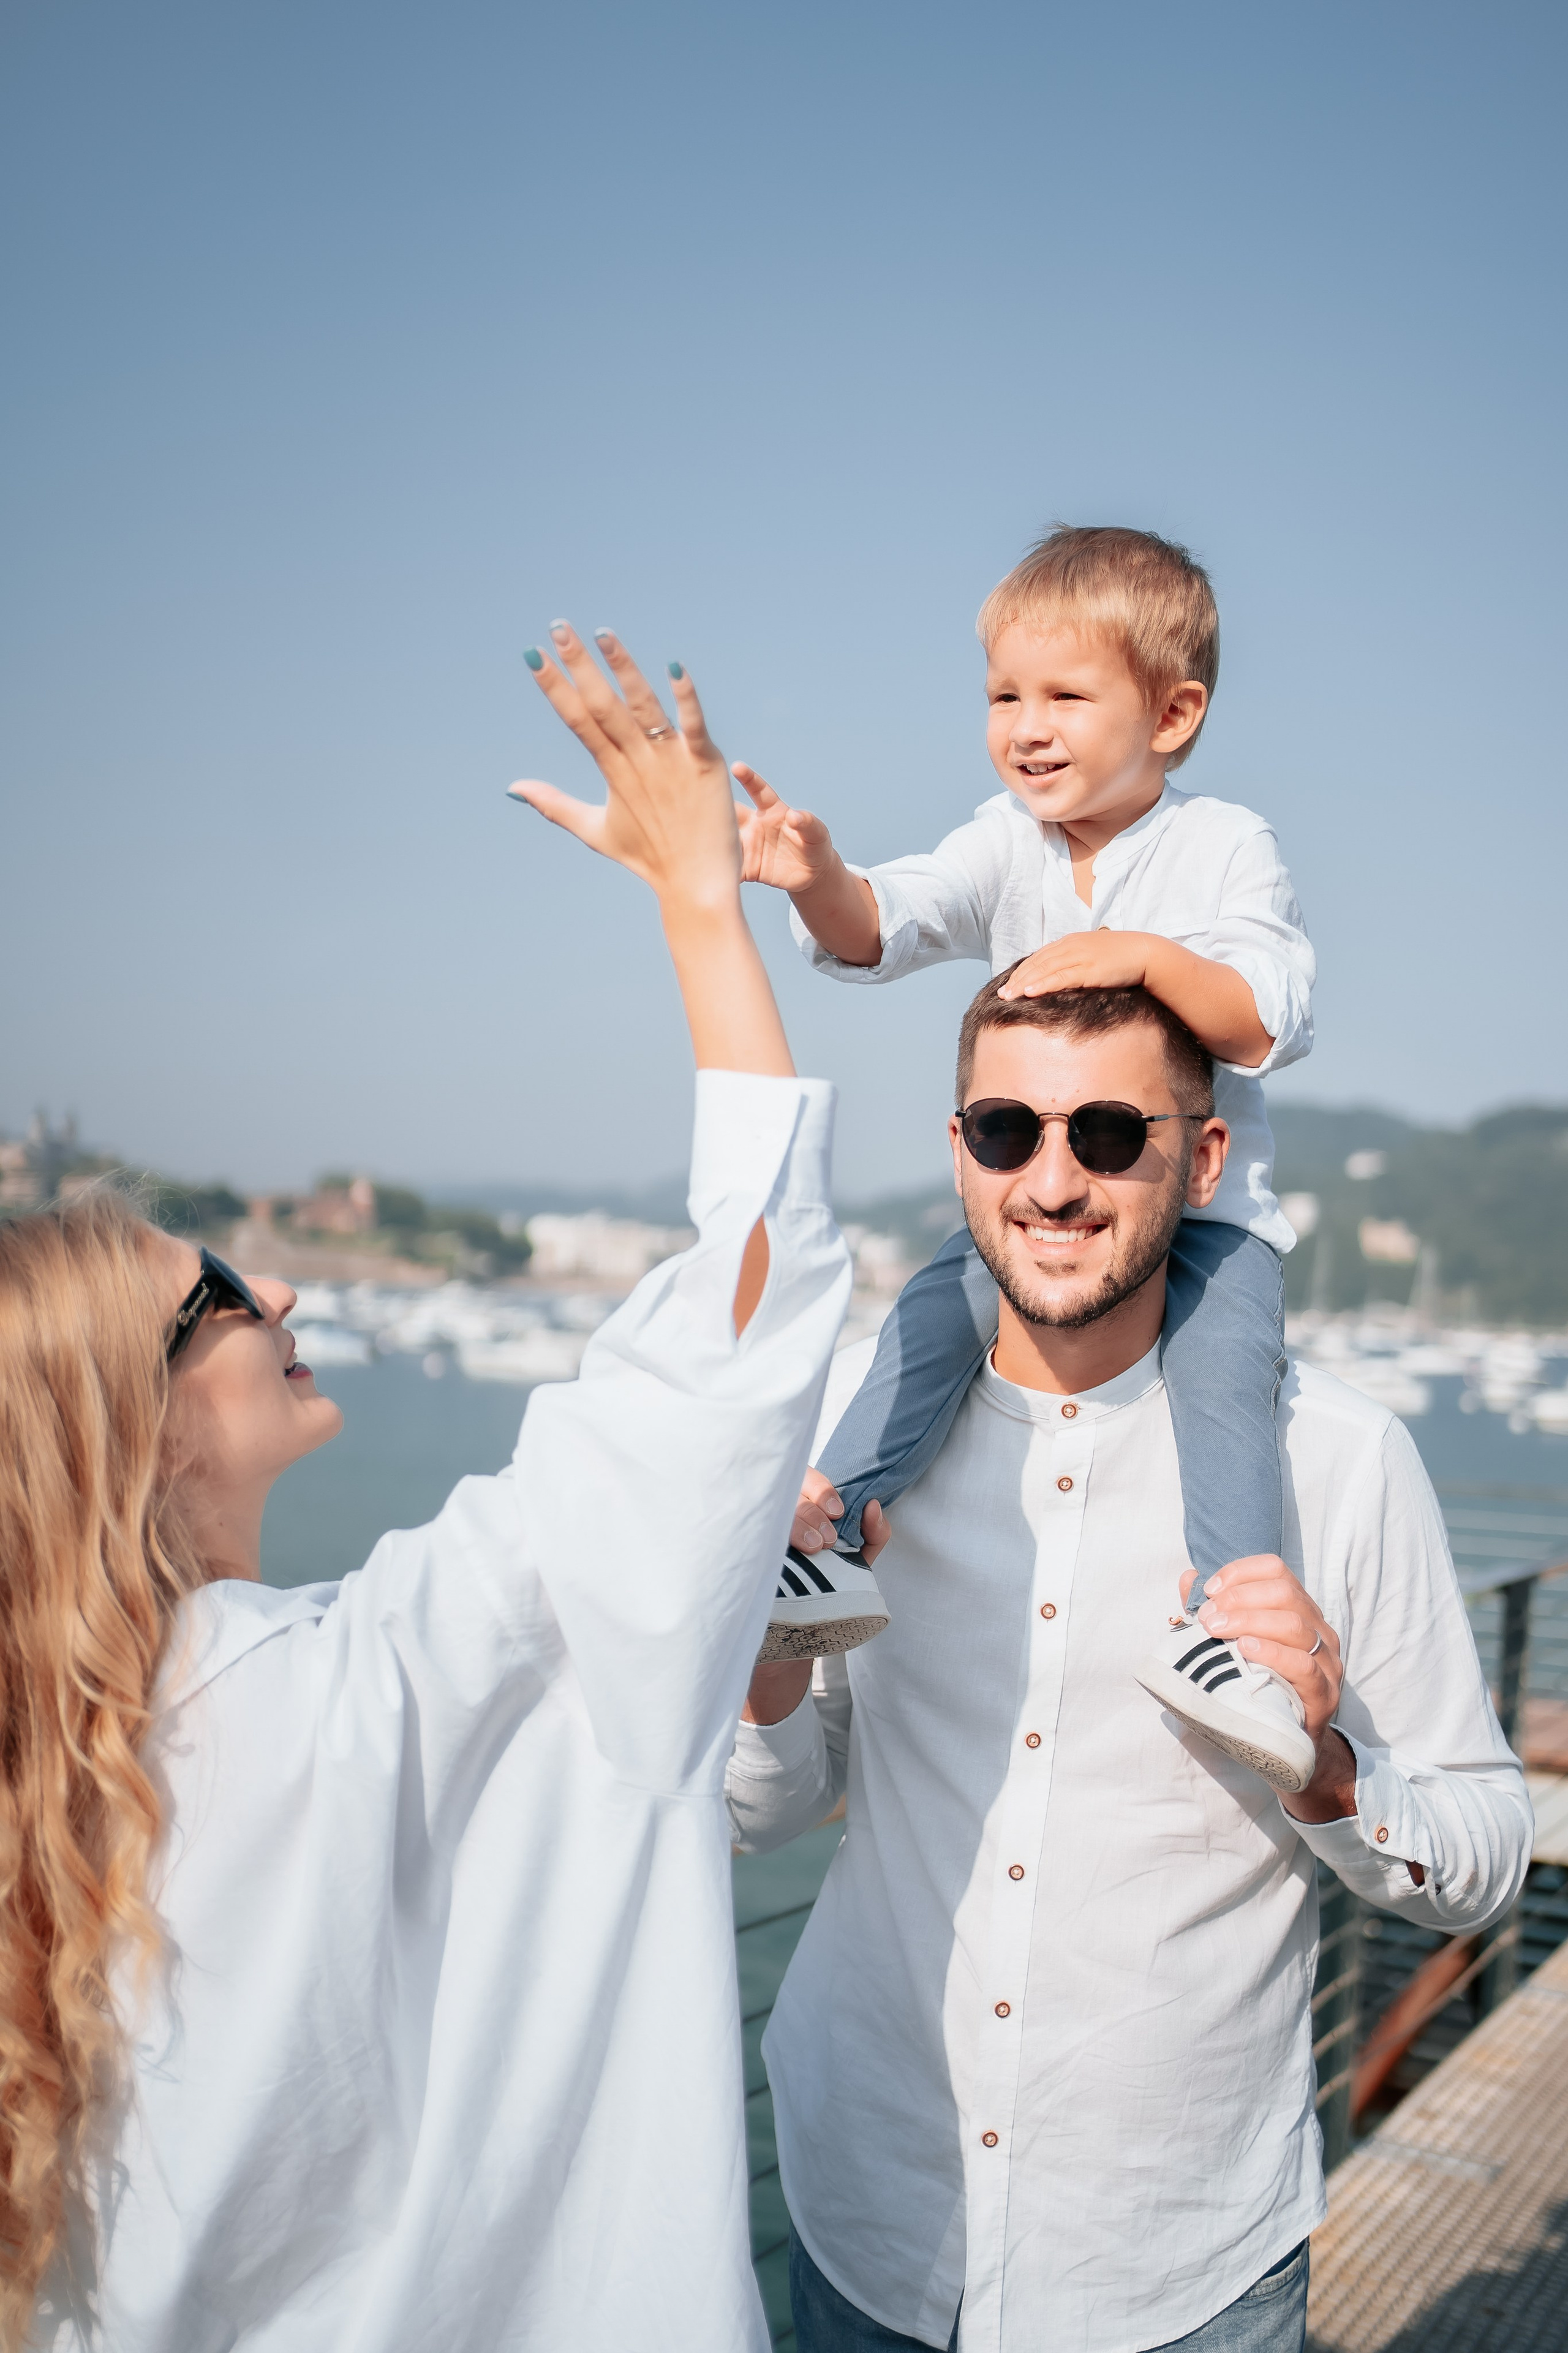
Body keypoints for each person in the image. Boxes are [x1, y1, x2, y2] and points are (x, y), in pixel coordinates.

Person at [3, 625, 852, 2353]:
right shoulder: (403, 1669)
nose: (286, 1293)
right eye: (223, 1292)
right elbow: (745, 1310)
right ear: (138, 1424)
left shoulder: (45, 1801)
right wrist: (704, 900)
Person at [726, 973, 1532, 2353]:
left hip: (1178, 2271)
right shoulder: (844, 1441)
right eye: (1004, 1130)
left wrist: (1332, 1768)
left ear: (1202, 1156)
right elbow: (759, 1807)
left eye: (1106, 1133)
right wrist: (758, 1670)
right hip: (867, 2214)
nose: (1051, 1182)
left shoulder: (1334, 1462)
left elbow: (1485, 1857)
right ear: (957, 1146)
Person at [736, 527, 1316, 1786]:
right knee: (931, 1320)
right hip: (1039, 1220)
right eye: (1003, 694)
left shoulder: (1221, 845)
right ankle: (821, 1539)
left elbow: (1265, 1009)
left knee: (1223, 1380)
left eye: (1064, 695)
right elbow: (884, 925)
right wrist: (816, 876)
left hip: (1199, 1222)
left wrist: (1138, 957)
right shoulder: (1003, 842)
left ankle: (1237, 1636)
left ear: (1171, 712)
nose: (1025, 726)